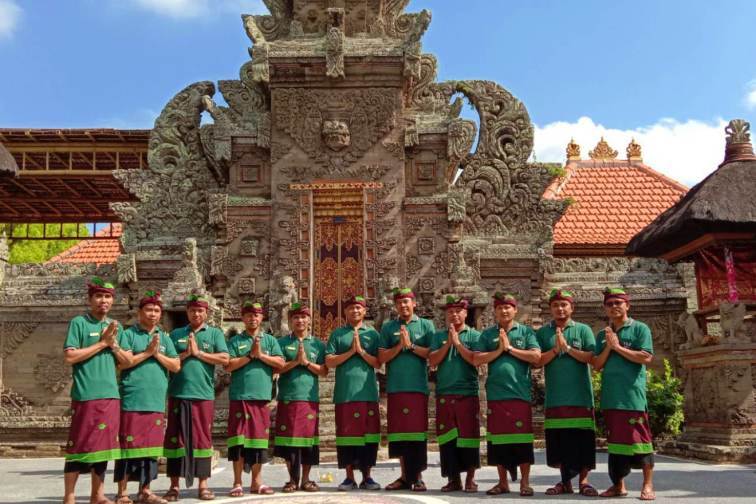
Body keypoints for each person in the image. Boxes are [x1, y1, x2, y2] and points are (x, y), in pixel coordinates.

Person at [63, 277, 132, 504]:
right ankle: (69, 496)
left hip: (110, 394)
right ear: (90, 299)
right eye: (99, 296)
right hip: (86, 394)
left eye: (108, 297)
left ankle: (97, 494)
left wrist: (113, 345)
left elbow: (125, 362)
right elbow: (70, 356)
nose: (104, 301)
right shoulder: (79, 323)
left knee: (104, 447)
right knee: (78, 444)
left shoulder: (116, 327)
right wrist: (102, 344)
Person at [115, 291, 180, 504]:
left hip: (155, 401)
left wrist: (157, 353)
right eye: (149, 310)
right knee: (128, 447)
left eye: (157, 311)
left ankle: (145, 490)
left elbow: (176, 365)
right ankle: (122, 492)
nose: (153, 314)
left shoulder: (164, 337)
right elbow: (122, 362)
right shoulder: (128, 334)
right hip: (133, 398)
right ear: (139, 312)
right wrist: (146, 353)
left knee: (151, 448)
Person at [163, 294, 229, 502]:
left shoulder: (215, 334)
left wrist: (198, 353)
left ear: (206, 313)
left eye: (200, 311)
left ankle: (203, 485)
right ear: (187, 313)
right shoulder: (176, 334)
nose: (196, 314)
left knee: (202, 439)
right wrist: (185, 355)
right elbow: (167, 359)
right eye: (192, 310)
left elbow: (225, 358)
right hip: (178, 392)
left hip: (203, 394)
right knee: (175, 439)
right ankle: (174, 485)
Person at [474, 293, 540, 497]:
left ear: (515, 310)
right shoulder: (487, 335)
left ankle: (525, 483)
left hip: (519, 395)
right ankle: (502, 482)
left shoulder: (526, 332)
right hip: (496, 395)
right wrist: (498, 351)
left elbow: (536, 356)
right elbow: (477, 359)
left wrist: (509, 348)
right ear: (494, 311)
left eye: (508, 307)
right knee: (498, 442)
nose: (504, 311)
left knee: (522, 442)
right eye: (500, 308)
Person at [593, 288, 655, 501]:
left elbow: (645, 358)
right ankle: (618, 485)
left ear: (627, 305)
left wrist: (618, 347)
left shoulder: (639, 329)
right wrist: (609, 347)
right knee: (616, 444)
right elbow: (597, 365)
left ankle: (647, 485)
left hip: (632, 396)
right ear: (605, 308)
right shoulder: (603, 334)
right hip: (611, 397)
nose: (614, 307)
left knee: (641, 441)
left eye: (618, 303)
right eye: (609, 304)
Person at [535, 289, 598, 497]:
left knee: (582, 439)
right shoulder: (544, 333)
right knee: (560, 439)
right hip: (556, 396)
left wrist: (568, 348)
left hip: (580, 395)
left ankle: (584, 481)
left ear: (572, 308)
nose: (560, 309)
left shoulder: (583, 330)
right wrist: (554, 350)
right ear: (550, 309)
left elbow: (591, 357)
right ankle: (565, 482)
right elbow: (537, 361)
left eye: (564, 305)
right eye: (555, 305)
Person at [224, 300, 284, 497]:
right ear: (243, 318)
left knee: (259, 440)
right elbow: (229, 365)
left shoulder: (269, 340)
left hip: (261, 397)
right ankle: (237, 481)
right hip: (240, 396)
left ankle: (257, 482)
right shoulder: (235, 341)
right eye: (249, 315)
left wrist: (261, 355)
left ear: (261, 318)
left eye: (256, 315)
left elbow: (280, 363)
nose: (253, 318)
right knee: (239, 441)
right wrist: (250, 356)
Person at [378, 287, 435, 492]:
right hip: (396, 386)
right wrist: (398, 347)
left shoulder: (426, 325)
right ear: (395, 306)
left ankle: (418, 476)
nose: (403, 306)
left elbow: (432, 354)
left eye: (406, 302)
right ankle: (404, 476)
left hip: (417, 386)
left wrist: (410, 346)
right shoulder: (388, 327)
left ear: (414, 303)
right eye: (399, 302)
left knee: (417, 434)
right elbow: (381, 358)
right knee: (400, 435)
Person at [325, 295, 382, 491]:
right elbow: (329, 361)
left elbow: (378, 362)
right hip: (345, 393)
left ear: (364, 311)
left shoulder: (373, 334)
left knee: (369, 436)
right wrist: (351, 352)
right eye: (350, 308)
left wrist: (362, 352)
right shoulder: (338, 333)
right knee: (346, 436)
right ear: (345, 312)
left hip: (367, 392)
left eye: (358, 308)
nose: (355, 311)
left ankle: (367, 476)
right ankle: (349, 477)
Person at [428, 295, 481, 493]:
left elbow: (475, 360)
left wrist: (458, 343)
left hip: (467, 392)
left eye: (458, 311)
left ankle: (470, 478)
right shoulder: (438, 336)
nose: (454, 315)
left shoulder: (475, 336)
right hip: (445, 392)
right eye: (450, 312)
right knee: (447, 438)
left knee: (469, 436)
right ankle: (453, 478)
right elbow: (432, 360)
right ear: (445, 315)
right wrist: (448, 343)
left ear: (466, 313)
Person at [274, 303, 328, 493]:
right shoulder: (280, 343)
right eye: (296, 317)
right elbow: (276, 368)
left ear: (309, 320)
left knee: (308, 442)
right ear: (290, 321)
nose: (300, 320)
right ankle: (291, 480)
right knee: (289, 442)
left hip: (308, 398)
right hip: (288, 397)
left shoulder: (318, 345)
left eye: (303, 317)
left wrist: (306, 363)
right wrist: (295, 362)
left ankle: (305, 479)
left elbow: (324, 371)